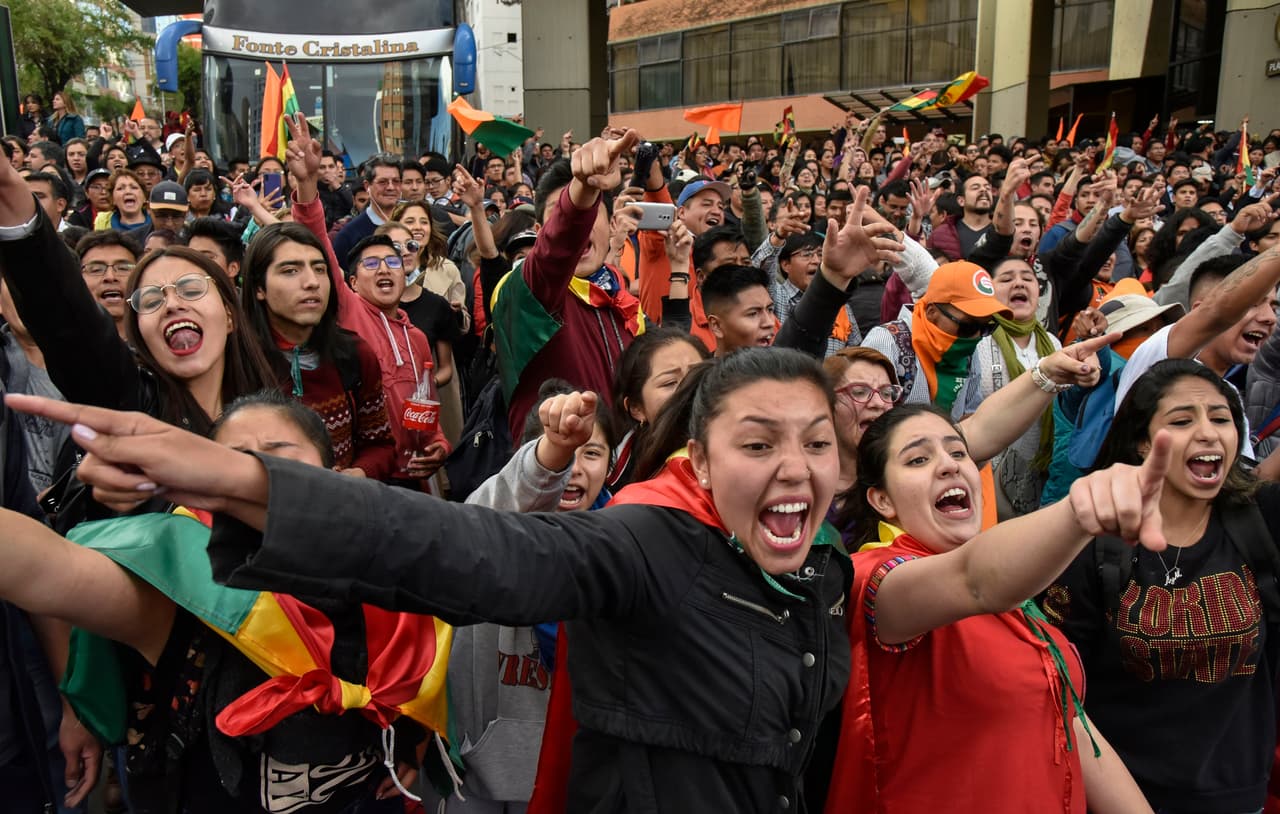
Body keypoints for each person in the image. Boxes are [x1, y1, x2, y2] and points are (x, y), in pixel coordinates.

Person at [16, 347, 854, 813]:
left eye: (817, 444)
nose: (794, 468)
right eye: (756, 446)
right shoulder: (643, 544)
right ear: (698, 462)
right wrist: (247, 486)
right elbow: (472, 545)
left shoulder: (826, 572)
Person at [0, 391, 429, 812]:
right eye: (234, 462)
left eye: (279, 455)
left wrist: (417, 735)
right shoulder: (177, 597)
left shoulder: (383, 574)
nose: (258, 475)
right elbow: (42, 567)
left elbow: (432, 664)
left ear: (333, 477)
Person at [822, 402, 1161, 813]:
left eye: (958, 452)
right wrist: (1079, 510)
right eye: (918, 459)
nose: (949, 466)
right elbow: (975, 581)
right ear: (882, 500)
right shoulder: (876, 579)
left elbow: (1069, 722)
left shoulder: (1020, 595)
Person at [1044, 359, 1280, 813]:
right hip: (1122, 798)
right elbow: (1060, 692)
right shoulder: (1094, 540)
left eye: (1220, 418)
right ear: (1141, 441)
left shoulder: (1262, 519)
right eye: (1182, 420)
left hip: (1238, 795)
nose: (1208, 432)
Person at [489, 131, 643, 439]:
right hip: (555, 479)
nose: (582, 225)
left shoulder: (625, 303)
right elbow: (558, 247)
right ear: (539, 230)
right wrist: (584, 189)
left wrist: (678, 269)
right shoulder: (524, 291)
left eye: (594, 213)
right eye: (562, 212)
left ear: (613, 223)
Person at [239, 221, 398, 480]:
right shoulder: (235, 360)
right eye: (290, 271)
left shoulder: (354, 354)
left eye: (320, 269)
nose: (312, 282)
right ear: (259, 288)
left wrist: (357, 474)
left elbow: (380, 444)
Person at [608, 327, 709, 488]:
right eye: (670, 383)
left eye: (698, 374)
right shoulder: (613, 478)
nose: (691, 387)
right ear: (636, 408)